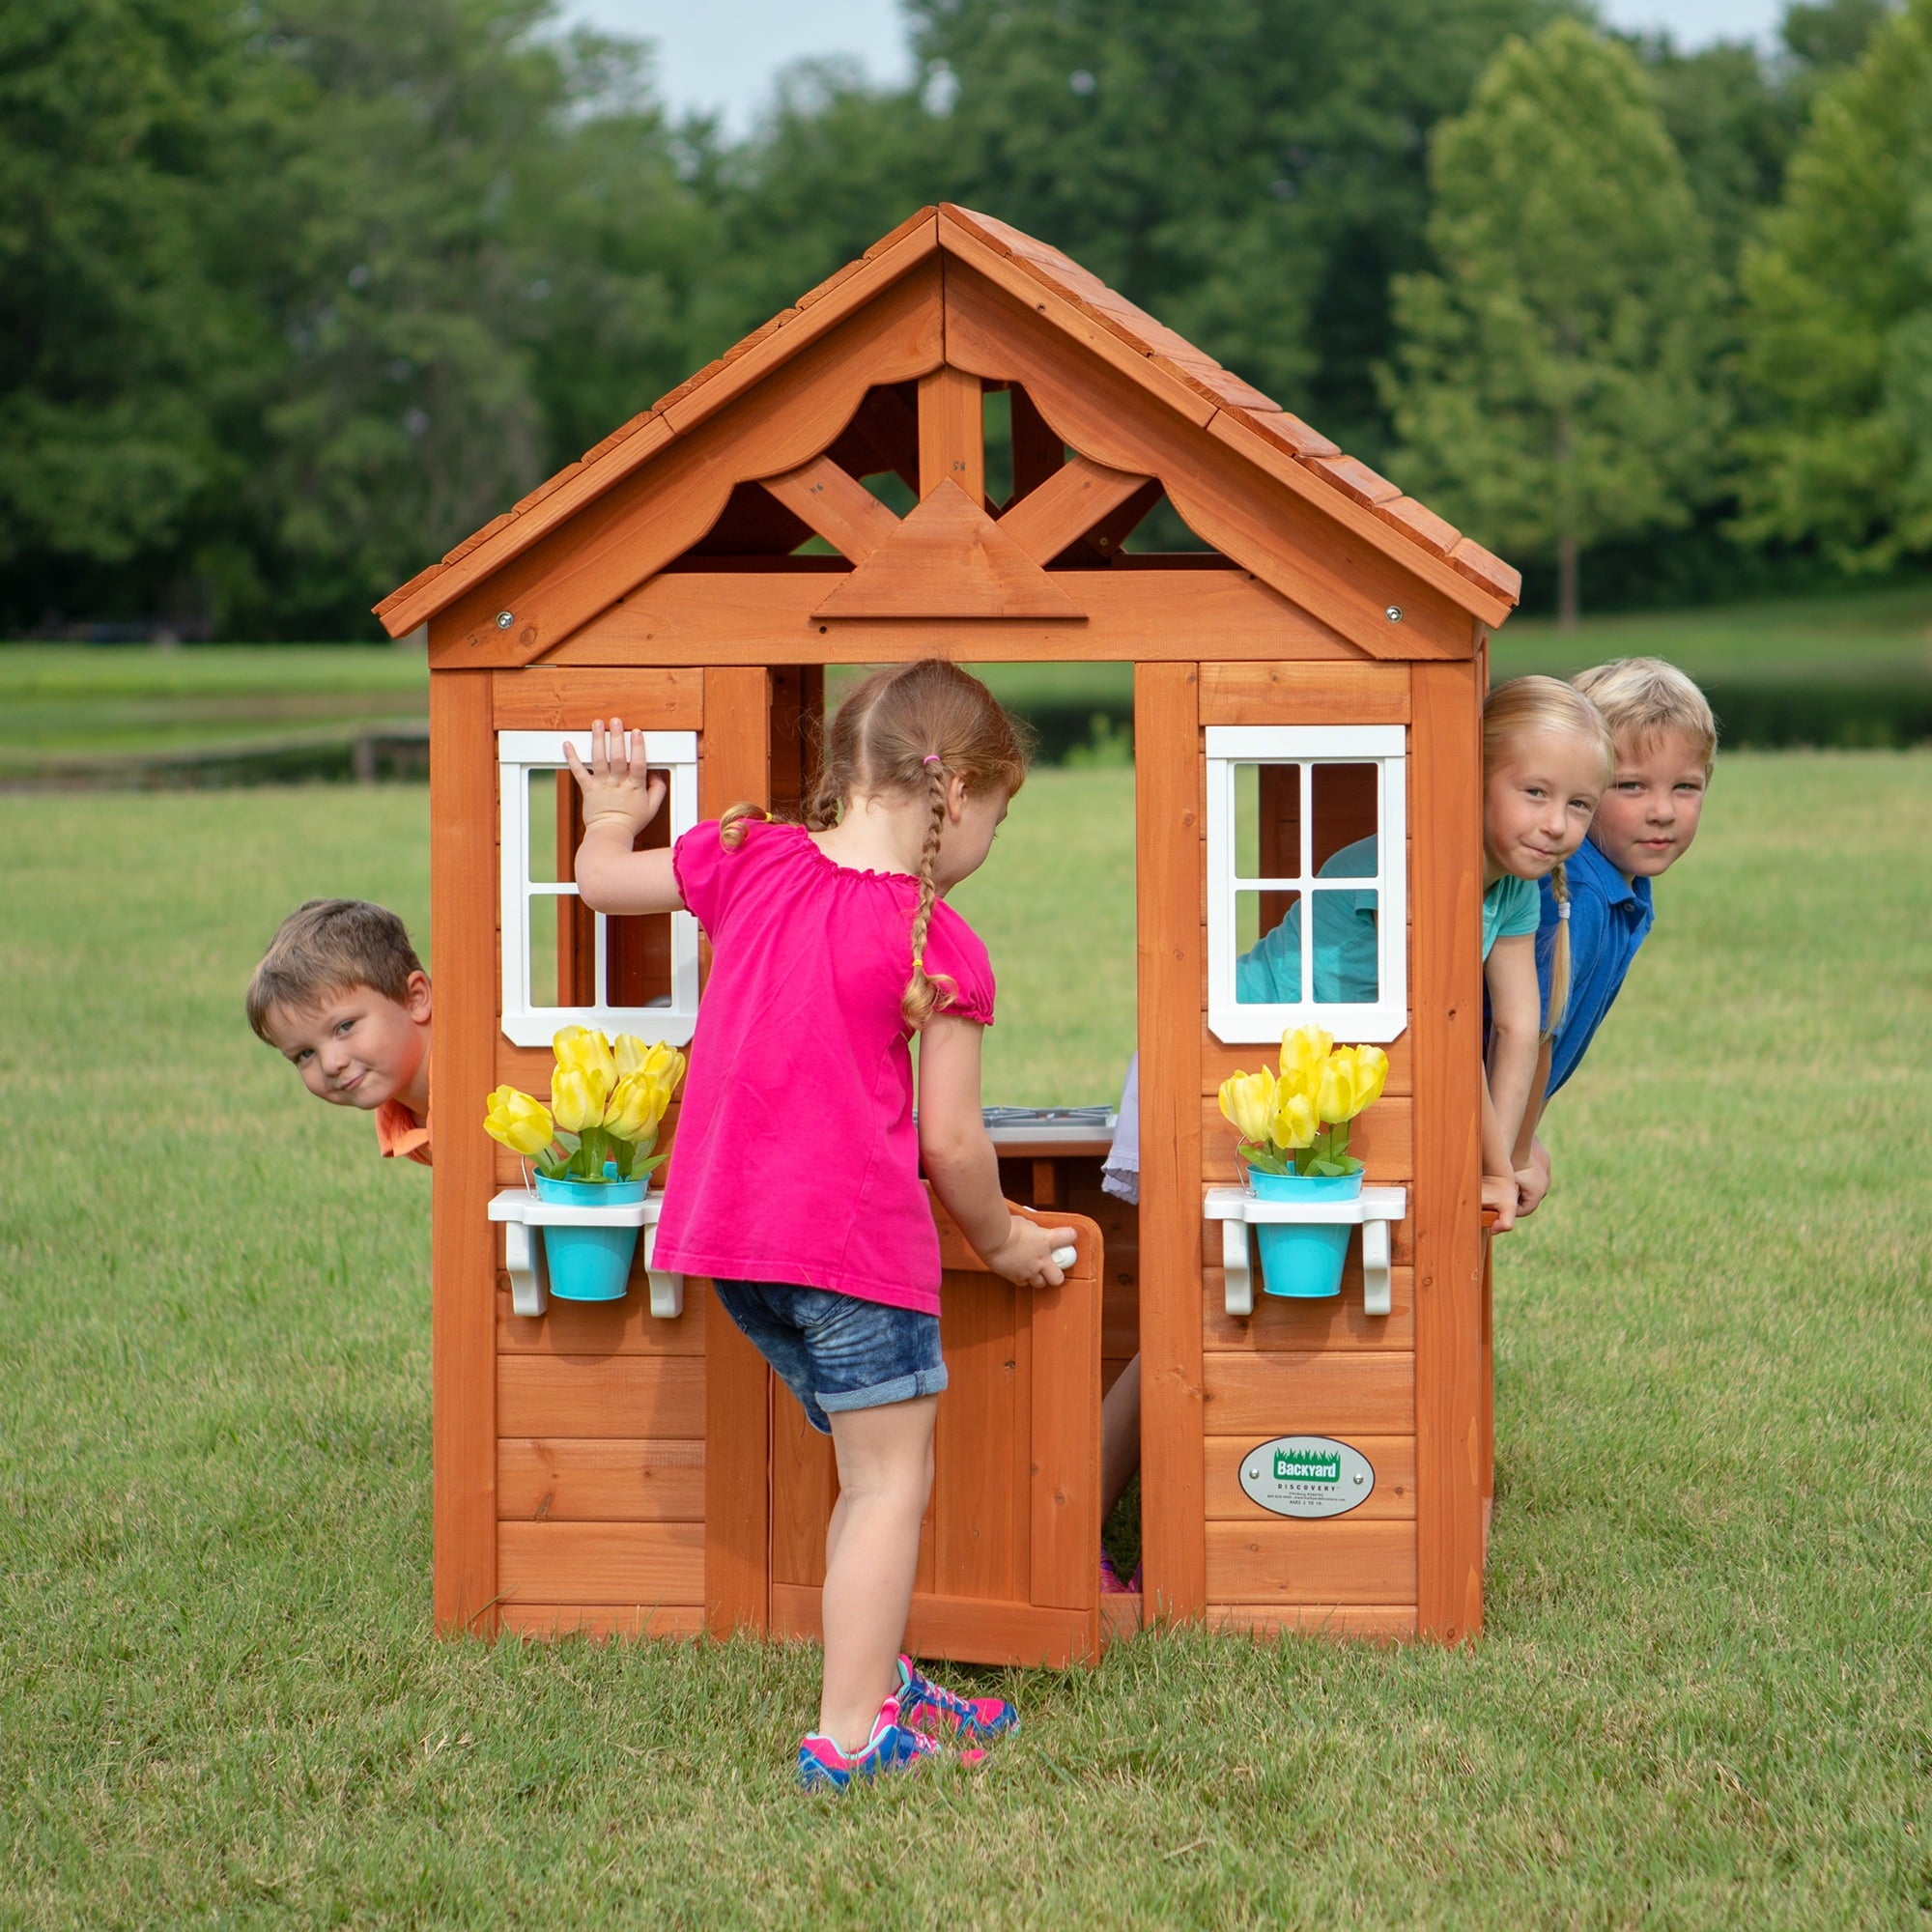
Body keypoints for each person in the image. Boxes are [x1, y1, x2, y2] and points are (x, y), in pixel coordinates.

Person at [564, 660, 1073, 1791]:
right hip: (850, 1255)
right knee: (888, 1486)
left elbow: (600, 882)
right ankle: (848, 1736)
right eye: (994, 816)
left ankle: (879, 1680)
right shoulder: (941, 941)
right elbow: (952, 1141)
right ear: (956, 795)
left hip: (730, 1246)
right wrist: (1003, 1242)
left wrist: (608, 812)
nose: (988, 839)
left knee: (863, 1477)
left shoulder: (750, 857)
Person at [1513, 658, 1716, 1214]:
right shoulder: (1575, 893)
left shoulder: (1618, 885)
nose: (1662, 811)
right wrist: (1514, 1149)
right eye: (1630, 786)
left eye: (1686, 787)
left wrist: (1524, 1136)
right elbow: (1528, 1035)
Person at [1479, 676, 1614, 1229]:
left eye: (1579, 804)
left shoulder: (1513, 890)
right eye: (1535, 792)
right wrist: (1494, 1167)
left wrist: (1504, 1162)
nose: (1557, 824)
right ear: (1475, 775)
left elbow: (1518, 1028)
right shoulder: (1428, 874)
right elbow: (1443, 1030)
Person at [246, 899, 433, 1165]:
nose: (331, 1064)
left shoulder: (475, 1073)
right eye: (305, 1054)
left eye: (345, 1027)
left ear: (415, 998)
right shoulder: (404, 1109)